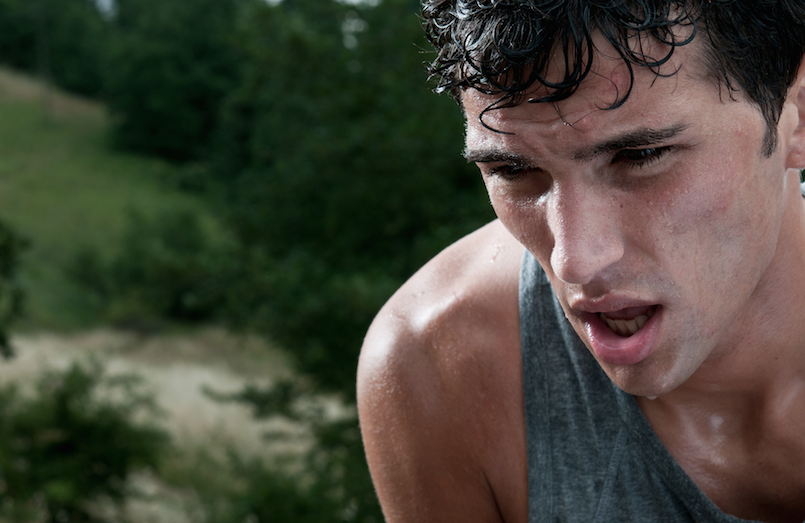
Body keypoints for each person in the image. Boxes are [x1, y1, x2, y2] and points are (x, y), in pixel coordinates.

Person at [357, 1, 805, 521]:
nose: (576, 262)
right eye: (510, 169)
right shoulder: (442, 364)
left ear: (797, 110)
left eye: (640, 156)